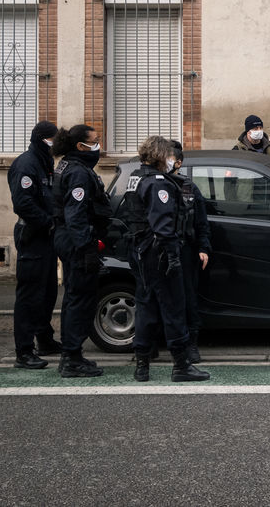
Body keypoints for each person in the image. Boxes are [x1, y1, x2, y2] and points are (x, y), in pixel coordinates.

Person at [125, 135, 209, 382]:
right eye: (169, 155)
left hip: (141, 251)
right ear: (161, 156)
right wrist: (173, 256)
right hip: (160, 253)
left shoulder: (135, 178)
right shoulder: (159, 183)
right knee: (173, 308)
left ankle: (142, 365)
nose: (172, 160)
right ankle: (181, 365)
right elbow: (163, 226)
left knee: (145, 306)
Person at [52, 124, 109, 378]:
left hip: (70, 239)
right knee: (81, 299)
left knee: (74, 297)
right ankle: (72, 358)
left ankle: (71, 354)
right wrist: (87, 249)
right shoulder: (77, 172)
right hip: (76, 242)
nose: (98, 146)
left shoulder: (69, 165)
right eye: (94, 141)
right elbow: (75, 215)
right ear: (80, 146)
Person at [7, 119, 62, 369]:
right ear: (43, 140)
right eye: (53, 139)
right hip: (33, 236)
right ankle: (24, 351)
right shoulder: (26, 164)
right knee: (30, 295)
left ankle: (45, 340)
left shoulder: (44, 162)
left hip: (45, 236)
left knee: (47, 293)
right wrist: (48, 223)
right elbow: (23, 203)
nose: (55, 144)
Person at [171, 140, 210, 363]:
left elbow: (201, 221)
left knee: (188, 298)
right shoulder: (153, 184)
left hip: (185, 249)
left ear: (178, 163)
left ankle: (190, 344)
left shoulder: (188, 188)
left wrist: (203, 247)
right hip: (159, 250)